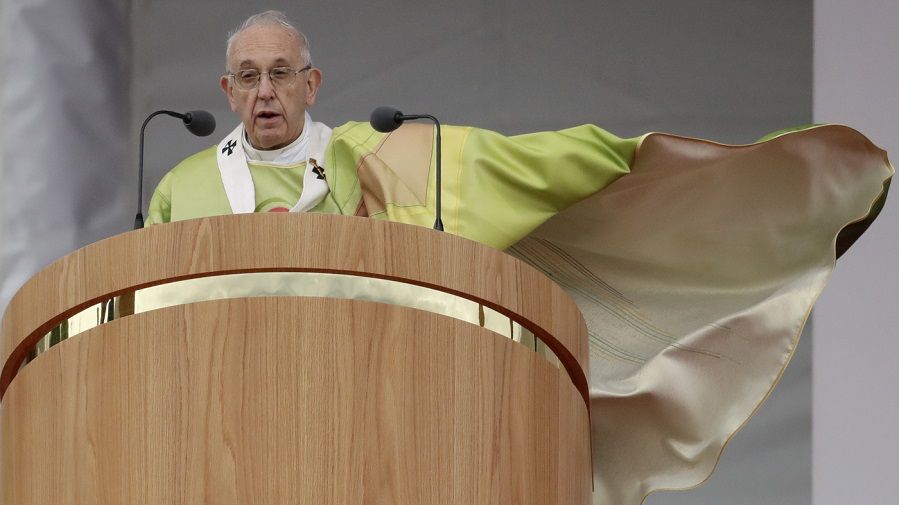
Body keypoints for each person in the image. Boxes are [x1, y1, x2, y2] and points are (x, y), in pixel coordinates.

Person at [146, 10, 893, 505]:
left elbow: (524, 169)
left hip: (366, 426)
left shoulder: (377, 162)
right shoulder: (183, 186)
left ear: (312, 85)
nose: (265, 91)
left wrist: (643, 163)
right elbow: (141, 327)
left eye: (281, 72)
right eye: (248, 76)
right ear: (226, 90)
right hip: (223, 436)